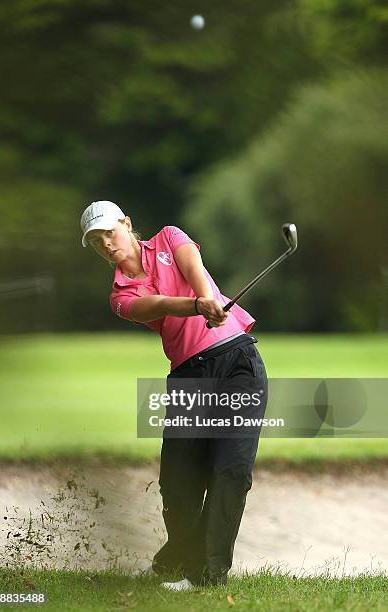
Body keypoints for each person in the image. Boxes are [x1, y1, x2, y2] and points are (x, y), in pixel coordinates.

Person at [80, 200, 268, 591]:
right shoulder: (120, 297)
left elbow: (192, 266)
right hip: (189, 376)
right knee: (179, 482)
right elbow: (160, 305)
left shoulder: (169, 236)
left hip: (237, 364)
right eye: (97, 241)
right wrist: (197, 306)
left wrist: (208, 301)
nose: (107, 244)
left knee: (230, 471)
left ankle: (206, 575)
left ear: (127, 224)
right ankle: (174, 562)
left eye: (109, 233)